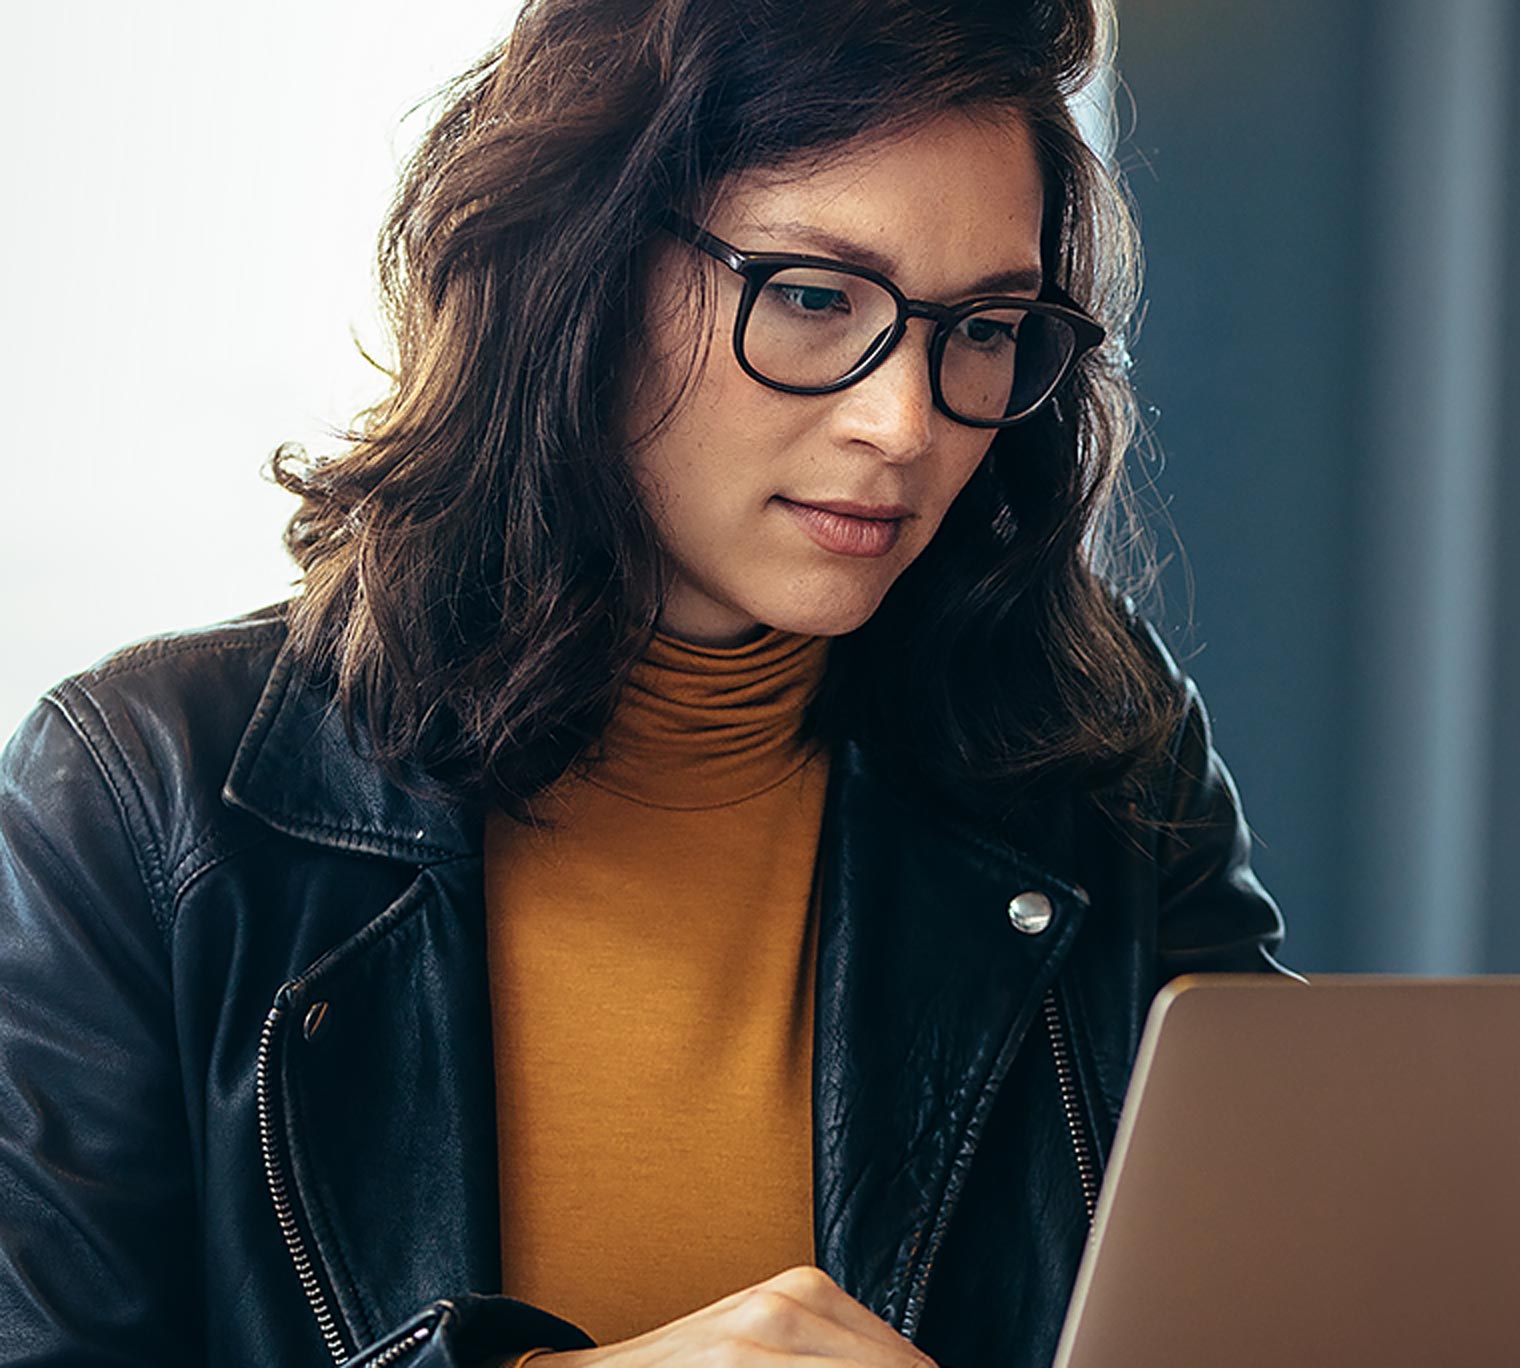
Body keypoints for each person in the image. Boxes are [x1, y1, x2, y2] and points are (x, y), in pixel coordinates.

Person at [0, 1, 1289, 1366]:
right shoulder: (144, 797)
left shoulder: (1097, 759)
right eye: (810, 298)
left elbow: (1299, 1301)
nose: (903, 421)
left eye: (980, 329)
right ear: (581, 272)